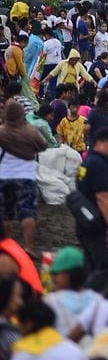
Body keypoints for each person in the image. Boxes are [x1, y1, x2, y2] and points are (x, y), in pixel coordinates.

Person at [75, 129, 108, 290]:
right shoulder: (97, 164)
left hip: (87, 221)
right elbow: (102, 196)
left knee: (91, 264)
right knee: (106, 266)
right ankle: (89, 295)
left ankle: (85, 294)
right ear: (99, 143)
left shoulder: (89, 161)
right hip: (97, 224)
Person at [0, 99, 47, 254]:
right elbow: (43, 145)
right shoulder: (30, 132)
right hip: (25, 176)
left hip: (3, 176)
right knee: (27, 213)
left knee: (5, 214)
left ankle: (6, 246)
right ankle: (28, 247)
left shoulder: (1, 131)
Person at [42, 246, 108, 343]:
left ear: (67, 275)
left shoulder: (50, 301)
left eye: (56, 273)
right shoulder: (99, 300)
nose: (53, 278)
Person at [8, 299, 91, 360]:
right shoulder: (74, 349)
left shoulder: (25, 349)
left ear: (29, 325)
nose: (18, 328)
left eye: (18, 323)